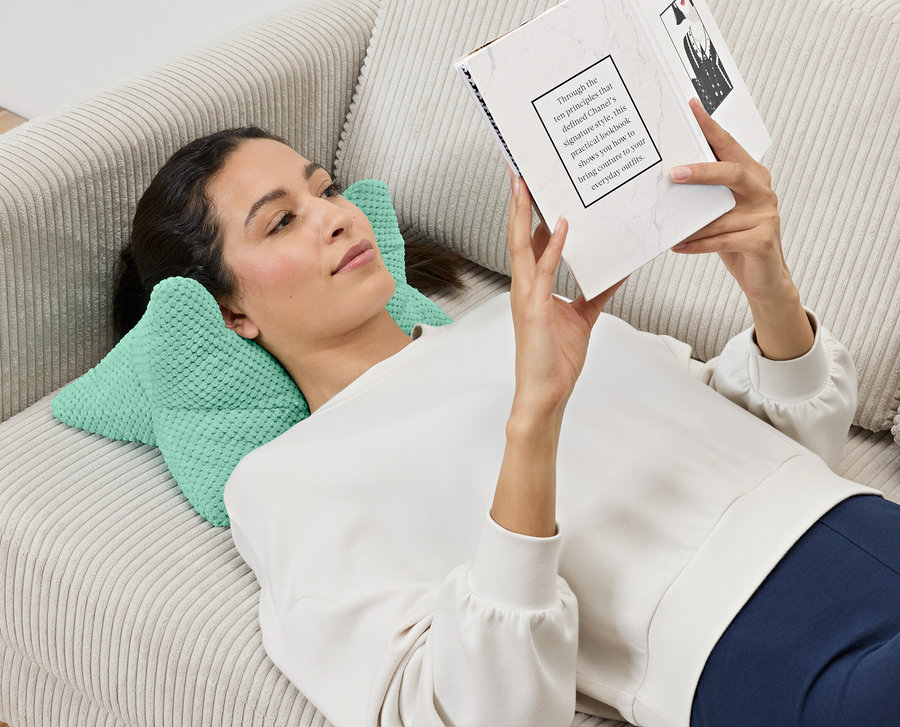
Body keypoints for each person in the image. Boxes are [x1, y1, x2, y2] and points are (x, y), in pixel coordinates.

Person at [114, 99, 900, 727]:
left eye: (325, 189)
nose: (336, 216)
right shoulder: (285, 479)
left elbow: (788, 442)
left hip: (867, 523)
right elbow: (461, 708)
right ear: (228, 312)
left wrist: (768, 283)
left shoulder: (519, 318)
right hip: (772, 652)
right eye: (281, 220)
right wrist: (534, 417)